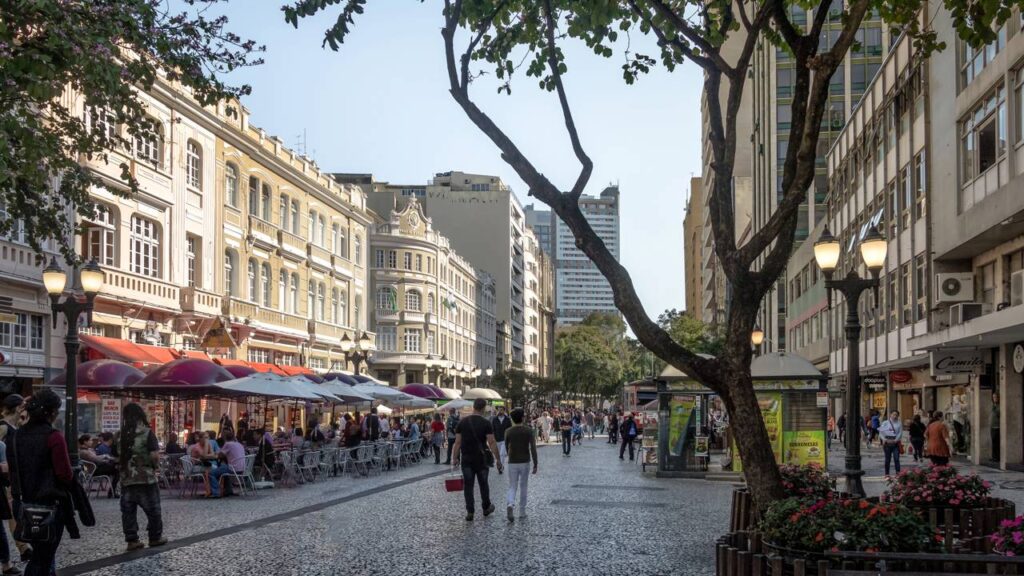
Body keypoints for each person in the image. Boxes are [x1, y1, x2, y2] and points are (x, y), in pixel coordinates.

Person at [9, 389, 73, 576]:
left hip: (22, 503)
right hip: (48, 505)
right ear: (52, 412)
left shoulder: (16, 436)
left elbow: (13, 469)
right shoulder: (54, 437)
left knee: (41, 555)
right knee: (42, 558)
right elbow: (64, 474)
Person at [119, 403, 166, 551]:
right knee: (153, 509)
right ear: (141, 415)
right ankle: (155, 538)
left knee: (128, 511)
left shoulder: (119, 435)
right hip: (146, 479)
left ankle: (132, 540)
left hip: (126, 478)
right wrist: (155, 466)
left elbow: (116, 456)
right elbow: (154, 456)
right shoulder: (147, 433)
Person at [451, 398, 502, 521]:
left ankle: (470, 512)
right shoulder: (486, 423)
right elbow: (492, 442)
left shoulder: (462, 423)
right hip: (481, 459)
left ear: (473, 406)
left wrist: (454, 458)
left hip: (467, 459)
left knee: (468, 485)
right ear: (484, 408)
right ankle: (486, 507)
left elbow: (457, 443)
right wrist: (498, 459)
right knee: (483, 484)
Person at [504, 408, 538, 522]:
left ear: (512, 419)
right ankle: (522, 511)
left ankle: (510, 504)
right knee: (523, 486)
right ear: (522, 418)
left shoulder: (508, 431)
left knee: (512, 486)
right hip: (525, 461)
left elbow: (505, 446)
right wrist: (535, 463)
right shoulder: (528, 430)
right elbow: (533, 448)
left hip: (512, 462)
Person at [209, 429, 245, 498]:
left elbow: (220, 455)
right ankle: (228, 490)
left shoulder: (228, 444)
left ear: (224, 437)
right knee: (223, 470)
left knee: (212, 473)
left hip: (233, 468)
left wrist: (214, 454)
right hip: (242, 468)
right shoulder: (239, 444)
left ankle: (216, 493)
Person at [878, 410, 903, 476]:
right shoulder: (885, 423)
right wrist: (884, 439)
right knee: (887, 459)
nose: (895, 416)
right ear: (890, 414)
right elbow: (881, 433)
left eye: (896, 415)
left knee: (896, 458)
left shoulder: (899, 423)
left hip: (895, 443)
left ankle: (898, 473)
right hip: (887, 443)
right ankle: (887, 473)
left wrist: (896, 440)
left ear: (898, 416)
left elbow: (900, 433)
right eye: (893, 414)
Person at [991, 392, 1001, 462]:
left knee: (996, 442)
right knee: (993, 442)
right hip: (992, 426)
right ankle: (994, 456)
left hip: (997, 426)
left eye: (995, 397)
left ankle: (997, 457)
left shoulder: (999, 406)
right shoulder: (993, 405)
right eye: (993, 397)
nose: (994, 399)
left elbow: (998, 414)